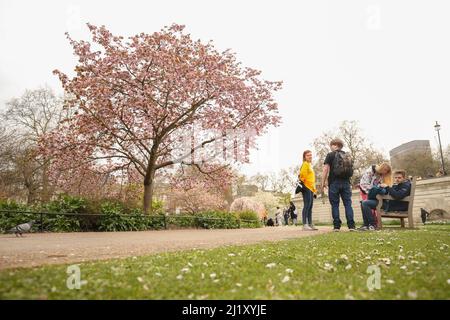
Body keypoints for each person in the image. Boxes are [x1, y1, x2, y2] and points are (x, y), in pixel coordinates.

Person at [320, 138, 356, 232]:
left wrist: (322, 183)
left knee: (335, 205)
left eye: (331, 145)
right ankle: (351, 226)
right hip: (346, 183)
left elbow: (325, 170)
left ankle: (336, 226)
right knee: (348, 204)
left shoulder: (330, 155)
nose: (331, 147)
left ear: (335, 145)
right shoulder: (347, 155)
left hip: (334, 183)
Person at [358, 163, 392, 228]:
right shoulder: (369, 172)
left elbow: (387, 189)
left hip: (379, 197)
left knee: (366, 204)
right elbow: (363, 184)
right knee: (364, 203)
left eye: (387, 172)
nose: (385, 173)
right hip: (366, 190)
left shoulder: (383, 176)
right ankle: (366, 224)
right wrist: (373, 190)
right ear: (381, 168)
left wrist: (382, 187)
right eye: (385, 170)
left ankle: (372, 224)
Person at [299, 150, 318, 231]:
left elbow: (312, 179)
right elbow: (301, 176)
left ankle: (310, 223)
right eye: (308, 155)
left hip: (311, 188)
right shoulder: (305, 164)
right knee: (307, 205)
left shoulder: (310, 165)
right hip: (306, 187)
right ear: (304, 157)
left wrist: (314, 190)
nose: (310, 156)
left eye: (311, 155)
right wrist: (305, 185)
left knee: (310, 206)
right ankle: (304, 224)